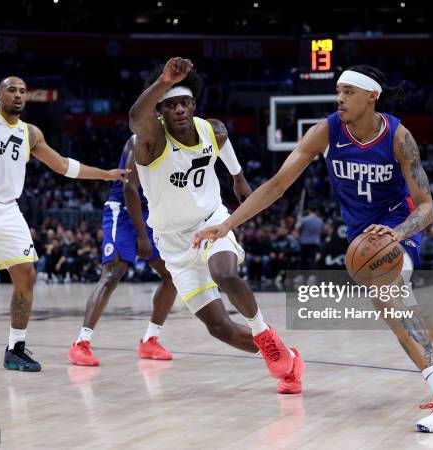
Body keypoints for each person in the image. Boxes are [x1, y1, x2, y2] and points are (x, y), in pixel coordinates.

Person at [195, 65, 433, 430]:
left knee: (393, 306)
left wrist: (398, 233)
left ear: (372, 96)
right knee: (404, 322)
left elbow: (427, 206)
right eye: (338, 90)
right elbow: (276, 185)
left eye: (349, 91)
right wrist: (227, 223)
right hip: (360, 240)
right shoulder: (326, 131)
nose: (340, 98)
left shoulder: (400, 137)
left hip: (397, 229)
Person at [0, 76, 129, 376]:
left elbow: (63, 165)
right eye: (12, 90)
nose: (18, 95)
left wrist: (105, 174)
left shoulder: (31, 133)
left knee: (27, 275)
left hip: (9, 211)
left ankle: (16, 349)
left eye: (23, 91)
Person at [129, 57, 304, 394]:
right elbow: (136, 117)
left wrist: (238, 177)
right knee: (219, 328)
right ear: (161, 110)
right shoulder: (151, 141)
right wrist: (164, 81)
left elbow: (222, 142)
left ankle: (263, 331)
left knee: (224, 272)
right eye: (170, 105)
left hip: (211, 222)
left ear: (193, 103)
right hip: (173, 242)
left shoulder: (213, 128)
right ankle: (286, 358)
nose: (178, 109)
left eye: (184, 102)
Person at [68, 136, 177, 366]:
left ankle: (150, 340)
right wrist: (142, 236)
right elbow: (130, 188)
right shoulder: (141, 139)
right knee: (112, 273)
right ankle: (81, 344)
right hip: (124, 210)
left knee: (172, 276)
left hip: (151, 213)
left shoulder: (179, 142)